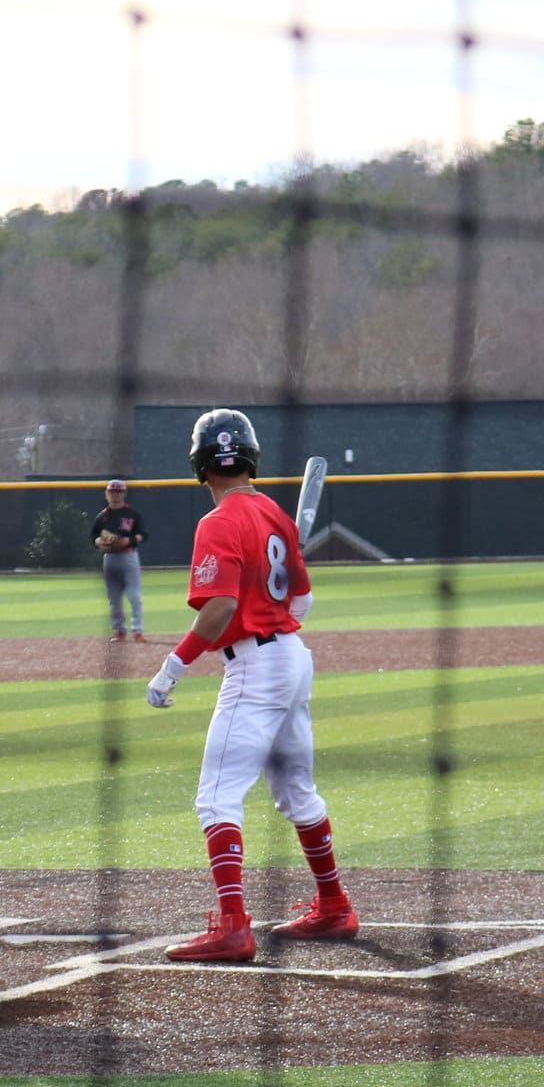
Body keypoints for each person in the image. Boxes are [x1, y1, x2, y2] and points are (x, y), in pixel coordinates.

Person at [143, 408, 358, 962]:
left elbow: (219, 610)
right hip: (292, 659)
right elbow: (304, 602)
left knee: (216, 798)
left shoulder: (216, 523)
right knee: (296, 792)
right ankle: (334, 906)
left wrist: (172, 668)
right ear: (252, 457)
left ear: (198, 464)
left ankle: (233, 927)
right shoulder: (275, 515)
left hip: (256, 668)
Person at [91, 479, 149, 641]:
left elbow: (143, 535)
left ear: (124, 494)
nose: (115, 495)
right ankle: (119, 631)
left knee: (134, 596)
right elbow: (93, 536)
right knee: (114, 597)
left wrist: (127, 541)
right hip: (110, 558)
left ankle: (137, 631)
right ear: (107, 494)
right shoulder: (102, 517)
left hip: (129, 556)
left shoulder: (133, 515)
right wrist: (99, 542)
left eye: (118, 492)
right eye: (112, 492)